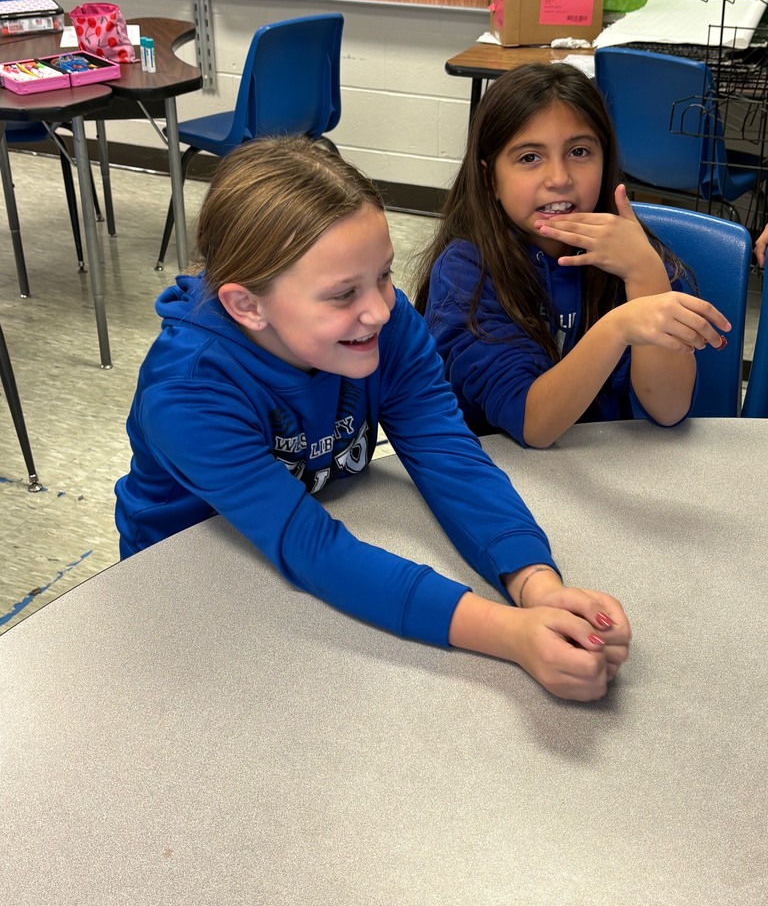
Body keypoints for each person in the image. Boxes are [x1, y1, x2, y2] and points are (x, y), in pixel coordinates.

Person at [115, 135, 630, 702]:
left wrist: (533, 581)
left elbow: (447, 453)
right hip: (185, 579)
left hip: (303, 572)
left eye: (384, 275)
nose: (381, 309)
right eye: (343, 295)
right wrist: (510, 634)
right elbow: (312, 547)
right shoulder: (189, 392)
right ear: (247, 306)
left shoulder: (385, 324)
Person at [412, 62, 731, 449]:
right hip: (509, 481)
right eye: (530, 157)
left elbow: (668, 408)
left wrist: (646, 276)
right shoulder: (466, 272)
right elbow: (534, 424)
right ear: (489, 178)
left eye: (579, 151)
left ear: (606, 160)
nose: (559, 178)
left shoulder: (633, 254)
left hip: (613, 476)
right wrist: (617, 328)